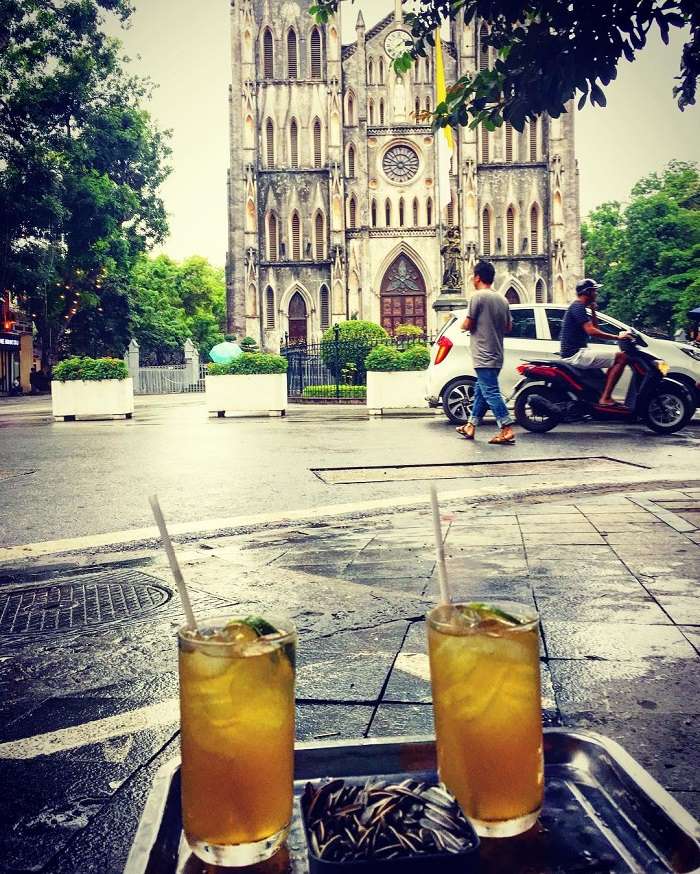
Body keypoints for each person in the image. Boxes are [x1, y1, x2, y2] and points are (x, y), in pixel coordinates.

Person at [456, 260, 516, 445]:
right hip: (497, 353)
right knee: (481, 390)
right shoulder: (502, 299)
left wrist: (462, 327)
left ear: (478, 277)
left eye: (474, 276)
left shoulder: (478, 297)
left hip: (483, 354)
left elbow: (468, 323)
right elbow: (508, 327)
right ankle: (470, 425)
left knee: (490, 391)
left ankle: (506, 428)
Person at [560, 278, 633, 407]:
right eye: (594, 291)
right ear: (587, 292)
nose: (597, 294)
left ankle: (602, 395)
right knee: (622, 357)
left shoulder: (581, 307)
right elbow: (591, 332)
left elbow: (595, 329)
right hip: (576, 355)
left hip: (581, 352)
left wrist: (593, 311)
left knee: (614, 358)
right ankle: (605, 398)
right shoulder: (577, 307)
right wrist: (618, 338)